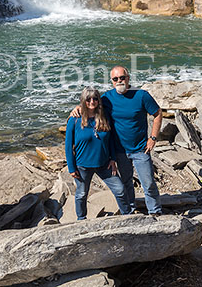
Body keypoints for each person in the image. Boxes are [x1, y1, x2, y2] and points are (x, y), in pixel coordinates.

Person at [72, 66, 163, 215]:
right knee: (127, 183)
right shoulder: (107, 98)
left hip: (141, 149)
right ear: (112, 81)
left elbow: (158, 113)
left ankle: (155, 212)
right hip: (119, 151)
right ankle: (131, 211)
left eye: (122, 78)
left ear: (128, 78)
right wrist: (77, 108)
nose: (119, 81)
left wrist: (153, 138)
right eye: (115, 79)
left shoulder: (141, 95)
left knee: (149, 183)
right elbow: (90, 103)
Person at [65, 86, 131, 220]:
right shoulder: (75, 120)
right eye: (88, 99)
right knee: (81, 194)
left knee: (120, 190)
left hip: (104, 164)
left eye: (95, 98)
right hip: (82, 166)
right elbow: (68, 146)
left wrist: (113, 159)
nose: (92, 101)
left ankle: (127, 216)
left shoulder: (104, 117)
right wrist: (71, 168)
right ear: (83, 100)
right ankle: (81, 219)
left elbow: (111, 140)